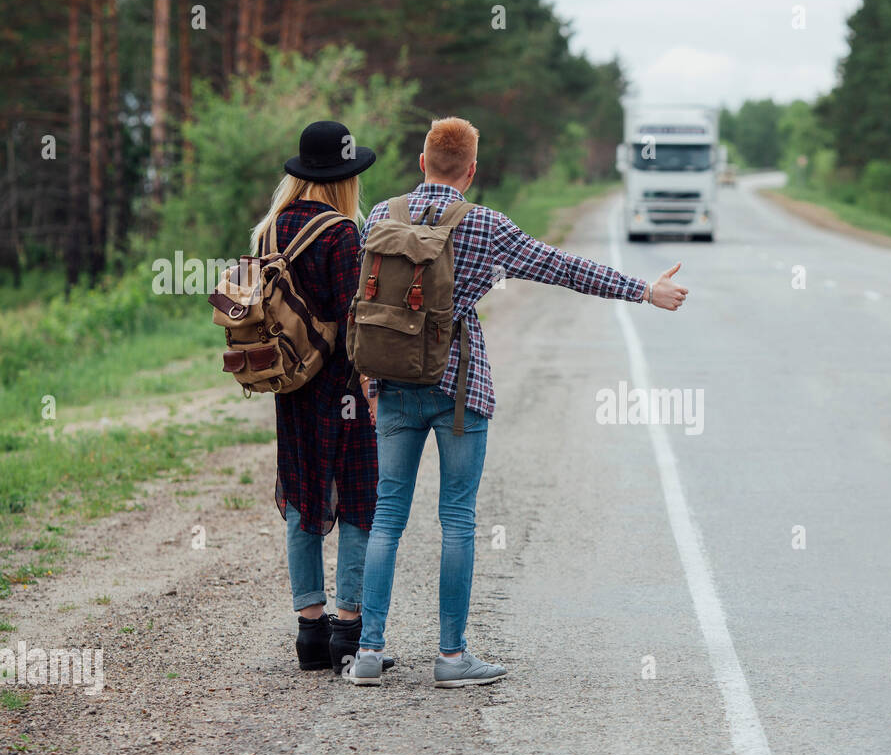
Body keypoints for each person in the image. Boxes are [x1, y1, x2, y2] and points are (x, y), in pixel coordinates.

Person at [345, 116, 687, 687]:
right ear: (472, 172)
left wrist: (370, 382)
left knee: (387, 517)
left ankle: (369, 654)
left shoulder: (382, 215)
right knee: (456, 520)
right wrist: (644, 291)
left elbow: (369, 301)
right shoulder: (486, 227)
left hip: (394, 384)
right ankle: (451, 658)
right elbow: (565, 269)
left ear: (421, 163)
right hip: (459, 394)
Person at [251, 120, 388, 675]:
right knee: (357, 502)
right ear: (346, 178)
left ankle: (308, 632)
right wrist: (372, 389)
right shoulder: (342, 234)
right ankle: (347, 631)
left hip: (290, 386)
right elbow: (354, 322)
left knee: (304, 498)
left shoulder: (270, 230)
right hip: (341, 388)